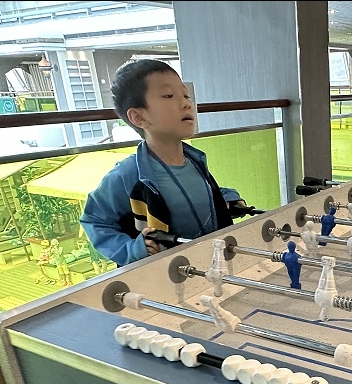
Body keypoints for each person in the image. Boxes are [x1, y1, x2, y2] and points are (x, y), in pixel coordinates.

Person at [80, 59, 247, 266]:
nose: (186, 103)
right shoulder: (128, 174)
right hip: (168, 274)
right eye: (168, 96)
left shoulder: (195, 161)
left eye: (186, 95)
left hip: (212, 265)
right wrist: (133, 250)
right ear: (138, 117)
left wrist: (227, 198)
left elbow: (197, 195)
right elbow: (94, 220)